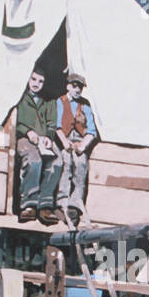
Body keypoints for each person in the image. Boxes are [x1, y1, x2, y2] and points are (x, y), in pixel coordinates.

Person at [14, 69, 62, 225]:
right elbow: (17, 121)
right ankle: (29, 204)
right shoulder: (20, 97)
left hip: (43, 139)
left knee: (57, 161)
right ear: (28, 79)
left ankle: (45, 205)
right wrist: (28, 132)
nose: (36, 84)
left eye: (40, 81)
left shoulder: (48, 101)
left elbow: (51, 123)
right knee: (34, 160)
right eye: (33, 79)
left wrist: (49, 137)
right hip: (25, 138)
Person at [54, 73, 98, 225]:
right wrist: (65, 142)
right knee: (66, 163)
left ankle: (75, 201)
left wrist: (83, 145)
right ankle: (62, 201)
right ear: (68, 86)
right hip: (64, 140)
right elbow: (57, 126)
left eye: (80, 87)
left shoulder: (85, 105)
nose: (77, 90)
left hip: (79, 141)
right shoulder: (61, 101)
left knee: (81, 164)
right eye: (74, 86)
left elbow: (92, 131)